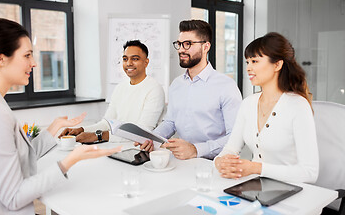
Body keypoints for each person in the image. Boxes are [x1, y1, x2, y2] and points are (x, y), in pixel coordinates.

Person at [0, 18, 121, 214]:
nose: (34, 64)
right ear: (0, 59)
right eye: (27, 55)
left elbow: (21, 158)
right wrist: (70, 160)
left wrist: (52, 129)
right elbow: (13, 197)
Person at [214, 32, 319, 183]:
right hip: (256, 188)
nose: (249, 67)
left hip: (292, 191)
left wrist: (256, 168)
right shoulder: (248, 103)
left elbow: (310, 173)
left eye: (255, 61)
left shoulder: (298, 106)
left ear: (277, 64)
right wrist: (220, 162)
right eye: (247, 62)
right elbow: (230, 149)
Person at [138, 20, 242, 160]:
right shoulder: (176, 84)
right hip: (182, 163)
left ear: (206, 47)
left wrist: (196, 150)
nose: (181, 49)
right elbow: (171, 122)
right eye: (179, 44)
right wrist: (152, 139)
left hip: (215, 165)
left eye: (188, 44)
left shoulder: (226, 86)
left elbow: (236, 136)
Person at [59, 40, 165, 143]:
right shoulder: (120, 87)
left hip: (138, 151)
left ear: (146, 62)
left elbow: (143, 133)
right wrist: (81, 130)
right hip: (116, 146)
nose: (129, 63)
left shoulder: (154, 89)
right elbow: (107, 123)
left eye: (135, 59)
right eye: (125, 59)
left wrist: (98, 136)